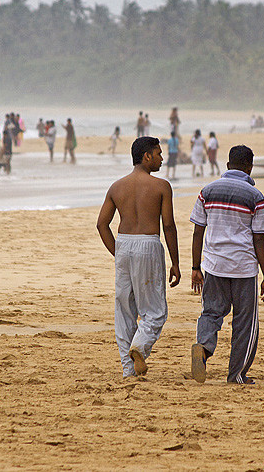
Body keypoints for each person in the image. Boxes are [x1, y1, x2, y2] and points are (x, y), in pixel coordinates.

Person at [96, 136, 181, 378]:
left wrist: (118, 252)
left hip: (123, 244)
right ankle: (140, 346)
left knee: (124, 309)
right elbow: (169, 227)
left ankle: (128, 369)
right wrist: (175, 262)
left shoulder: (116, 187)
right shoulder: (161, 186)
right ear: (147, 156)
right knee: (155, 309)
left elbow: (102, 224)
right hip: (148, 244)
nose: (162, 158)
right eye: (158, 153)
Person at [190, 145, 264, 384]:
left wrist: (196, 267)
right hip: (244, 268)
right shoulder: (255, 196)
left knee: (211, 312)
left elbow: (198, 231)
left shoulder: (207, 191)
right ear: (250, 167)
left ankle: (203, 348)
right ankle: (236, 374)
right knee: (245, 322)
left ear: (227, 166)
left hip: (214, 264)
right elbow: (259, 237)